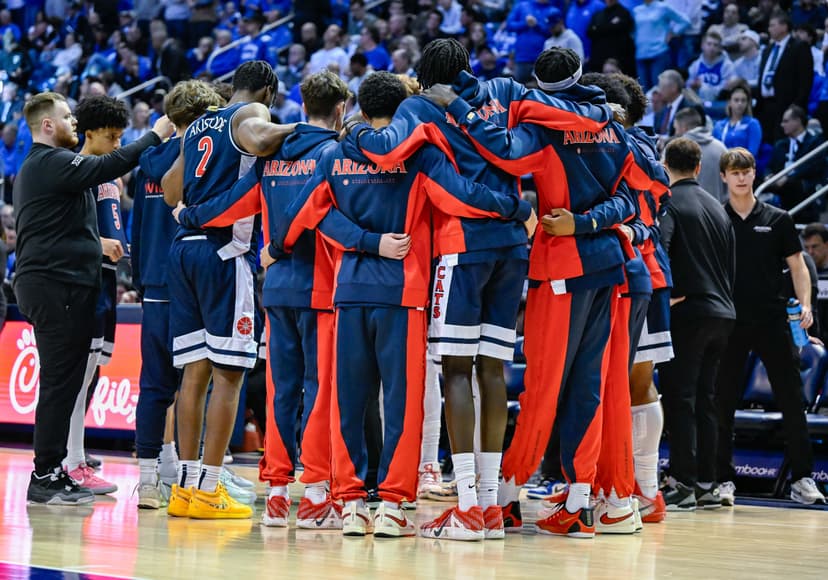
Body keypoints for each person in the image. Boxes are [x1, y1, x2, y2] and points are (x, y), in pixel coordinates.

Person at [355, 39, 612, 540]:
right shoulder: (507, 90)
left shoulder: (420, 105)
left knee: (455, 369)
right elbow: (584, 115)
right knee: (492, 369)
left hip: (463, 245)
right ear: (469, 67)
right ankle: (492, 508)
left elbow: (385, 154)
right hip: (515, 247)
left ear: (427, 74)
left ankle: (469, 507)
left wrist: (353, 135)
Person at [273, 71, 535, 538]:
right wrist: (517, 208)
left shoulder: (335, 153)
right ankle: (394, 506)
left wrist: (358, 242)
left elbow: (307, 216)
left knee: (347, 401)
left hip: (349, 291)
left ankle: (351, 503)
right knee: (402, 403)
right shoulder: (418, 155)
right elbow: (462, 196)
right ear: (405, 110)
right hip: (405, 293)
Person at [173, 71, 410, 529]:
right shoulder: (336, 154)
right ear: (341, 108)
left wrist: (190, 215)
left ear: (301, 105)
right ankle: (317, 492)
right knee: (320, 391)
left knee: (281, 391)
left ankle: (278, 493)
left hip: (275, 289)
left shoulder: (272, 156)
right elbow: (327, 219)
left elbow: (234, 204)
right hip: (321, 288)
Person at [425, 47, 637, 538]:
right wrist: (592, 221)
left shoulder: (542, 126)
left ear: (539, 85)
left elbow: (504, 152)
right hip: (609, 265)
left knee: (541, 387)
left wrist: (459, 107)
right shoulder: (612, 126)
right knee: (590, 385)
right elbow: (639, 193)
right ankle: (581, 501)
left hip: (561, 263)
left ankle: (505, 497)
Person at [14, 92, 172, 505]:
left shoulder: (48, 168)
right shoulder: (51, 162)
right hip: (55, 286)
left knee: (65, 384)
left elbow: (60, 233)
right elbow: (110, 164)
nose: (73, 122)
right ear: (48, 125)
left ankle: (54, 468)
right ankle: (47, 473)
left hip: (56, 282)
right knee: (60, 384)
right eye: (67, 117)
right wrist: (154, 135)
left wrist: (96, 244)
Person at [160, 61, 295, 519]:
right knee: (230, 374)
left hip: (183, 251)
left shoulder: (200, 122)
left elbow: (170, 187)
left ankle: (185, 486)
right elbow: (258, 139)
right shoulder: (250, 112)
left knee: (193, 374)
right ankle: (210, 488)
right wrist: (303, 128)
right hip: (224, 251)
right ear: (268, 92)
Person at [131, 80, 225, 510]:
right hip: (195, 280)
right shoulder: (208, 162)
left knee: (154, 385)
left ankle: (151, 477)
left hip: (154, 281)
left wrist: (138, 276)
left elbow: (137, 226)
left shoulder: (148, 160)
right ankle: (197, 477)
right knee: (198, 379)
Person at [715, 147, 826, 507]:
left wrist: (805, 304)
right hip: (729, 320)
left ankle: (803, 479)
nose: (741, 177)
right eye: (735, 172)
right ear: (724, 177)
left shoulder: (777, 219)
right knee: (723, 402)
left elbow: (798, 266)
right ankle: (721, 480)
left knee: (793, 400)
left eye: (746, 171)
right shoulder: (717, 217)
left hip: (773, 321)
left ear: (754, 174)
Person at [62, 95, 137, 496]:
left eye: (121, 138)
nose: (116, 145)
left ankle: (74, 455)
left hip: (107, 279)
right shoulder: (75, 171)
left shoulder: (111, 175)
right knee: (76, 377)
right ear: (88, 133)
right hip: (83, 280)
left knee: (90, 376)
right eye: (111, 137)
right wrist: (101, 245)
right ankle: (70, 460)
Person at [657, 137, 736, 510]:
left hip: (689, 312)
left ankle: (682, 484)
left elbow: (661, 249)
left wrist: (669, 292)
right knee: (707, 400)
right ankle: (708, 482)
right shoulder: (719, 209)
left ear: (665, 164)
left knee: (680, 398)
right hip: (723, 314)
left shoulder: (669, 203)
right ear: (700, 167)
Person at [757, 10, 813, 144]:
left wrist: (796, 106)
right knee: (767, 144)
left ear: (784, 27)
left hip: (787, 106)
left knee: (782, 144)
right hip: (765, 106)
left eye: (772, 25)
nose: (769, 29)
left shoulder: (799, 47)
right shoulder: (768, 49)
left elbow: (805, 81)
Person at [765, 105, 825, 222]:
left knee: (794, 186)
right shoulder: (780, 145)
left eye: (786, 121)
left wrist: (788, 178)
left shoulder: (815, 142)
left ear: (797, 121)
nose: (782, 125)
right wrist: (768, 175)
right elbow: (769, 166)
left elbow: (812, 167)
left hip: (803, 188)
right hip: (780, 186)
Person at [673, 107, 729, 202]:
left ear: (684, 128)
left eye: (676, 129)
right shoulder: (721, 148)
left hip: (683, 213)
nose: (675, 133)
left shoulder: (673, 149)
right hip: (718, 213)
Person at [632, 0, 690, 90]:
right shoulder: (636, 10)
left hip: (659, 52)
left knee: (659, 89)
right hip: (640, 54)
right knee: (643, 92)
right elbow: (634, 31)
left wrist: (673, 33)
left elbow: (685, 21)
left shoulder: (663, 7)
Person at [712, 82, 763, 157]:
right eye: (736, 100)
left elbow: (752, 153)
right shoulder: (719, 125)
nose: (740, 103)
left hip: (742, 165)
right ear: (729, 102)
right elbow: (714, 150)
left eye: (743, 100)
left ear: (747, 103)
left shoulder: (753, 124)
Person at [586, 0, 635, 75]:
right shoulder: (598, 14)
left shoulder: (624, 13)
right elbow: (589, 32)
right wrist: (610, 26)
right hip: (599, 59)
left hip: (618, 59)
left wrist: (599, 28)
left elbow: (623, 28)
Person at [687, 30, 735, 103]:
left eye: (715, 45)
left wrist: (704, 86)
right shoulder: (695, 65)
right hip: (697, 100)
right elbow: (689, 84)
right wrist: (692, 85)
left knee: (704, 90)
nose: (712, 48)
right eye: (709, 44)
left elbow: (725, 89)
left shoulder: (727, 65)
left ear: (720, 49)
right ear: (702, 46)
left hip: (718, 101)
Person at [802, 222, 828, 341]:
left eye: (815, 246)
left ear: (826, 245)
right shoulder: (801, 276)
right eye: (807, 248)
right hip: (813, 340)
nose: (810, 252)